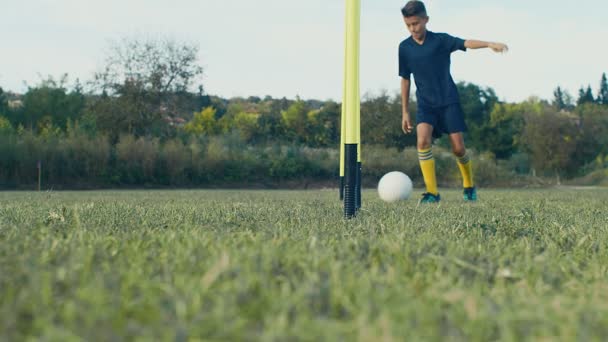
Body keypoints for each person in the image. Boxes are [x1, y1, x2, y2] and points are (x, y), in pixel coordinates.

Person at [399, 0, 508, 203]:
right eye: (408, 25)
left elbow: (465, 42)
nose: (413, 28)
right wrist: (405, 111)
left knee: (458, 148)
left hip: (448, 100)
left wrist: (489, 44)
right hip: (425, 104)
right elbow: (405, 79)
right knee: (422, 141)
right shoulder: (404, 48)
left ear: (426, 20)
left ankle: (469, 185)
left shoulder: (441, 40)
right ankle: (432, 193)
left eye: (416, 23)